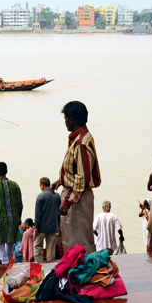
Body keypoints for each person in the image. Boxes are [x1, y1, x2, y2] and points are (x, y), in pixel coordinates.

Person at [51, 101, 101, 254]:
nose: (64, 121)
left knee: (78, 243)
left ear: (71, 120)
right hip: (77, 195)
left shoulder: (80, 143)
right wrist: (61, 180)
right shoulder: (81, 138)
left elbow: (82, 179)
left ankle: (82, 276)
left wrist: (66, 202)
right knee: (75, 240)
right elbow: (79, 170)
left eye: (65, 118)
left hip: (77, 199)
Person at [0, 162, 23, 264]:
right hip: (13, 219)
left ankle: (5, 262)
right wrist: (19, 218)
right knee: (10, 241)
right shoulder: (15, 185)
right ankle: (8, 262)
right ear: (6, 171)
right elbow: (20, 205)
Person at [34, 177, 61, 263]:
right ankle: (50, 268)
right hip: (53, 227)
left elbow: (38, 214)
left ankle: (38, 265)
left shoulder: (40, 196)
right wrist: (59, 225)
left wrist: (36, 227)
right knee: (51, 249)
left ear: (42, 185)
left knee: (38, 247)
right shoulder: (57, 196)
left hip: (41, 227)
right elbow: (59, 212)